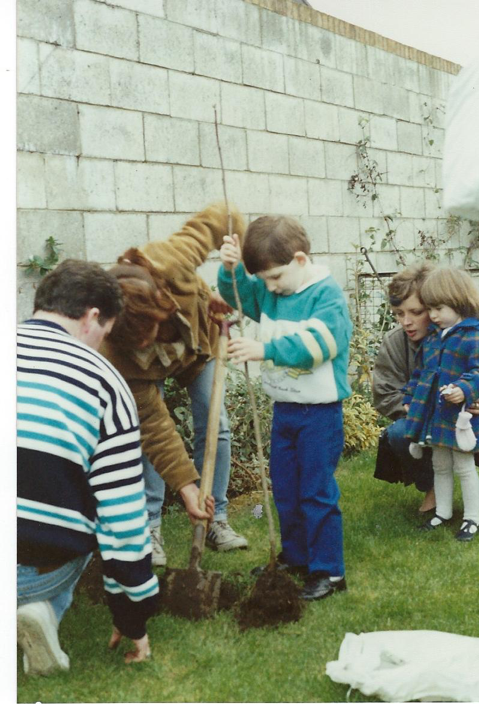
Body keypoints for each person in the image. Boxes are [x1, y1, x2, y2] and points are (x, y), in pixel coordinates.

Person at [17, 260, 213, 676]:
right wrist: (132, 618)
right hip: (29, 570)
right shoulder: (103, 381)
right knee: (77, 516)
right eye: (107, 330)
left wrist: (184, 482)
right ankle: (42, 611)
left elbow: (157, 427)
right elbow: (121, 524)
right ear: (92, 316)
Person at [101, 203, 248, 565]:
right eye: (136, 344)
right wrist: (187, 489)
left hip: (198, 347)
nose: (145, 346)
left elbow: (225, 214)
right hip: (145, 375)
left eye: (147, 337)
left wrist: (232, 274)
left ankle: (218, 519)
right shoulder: (115, 351)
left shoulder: (169, 260)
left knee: (217, 427)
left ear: (157, 305)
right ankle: (151, 528)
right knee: (145, 438)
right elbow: (156, 429)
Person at [218, 216, 352, 601]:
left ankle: (329, 571)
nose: (269, 287)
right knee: (287, 492)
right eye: (264, 280)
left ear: (298, 259)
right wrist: (229, 269)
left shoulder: (327, 296)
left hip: (320, 415)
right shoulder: (273, 291)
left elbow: (318, 346)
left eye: (274, 277)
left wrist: (265, 350)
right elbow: (239, 295)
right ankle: (296, 558)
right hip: (286, 412)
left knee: (316, 492)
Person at [403, 266, 479, 541]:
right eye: (430, 308)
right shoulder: (433, 339)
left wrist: (464, 389)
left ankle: (472, 518)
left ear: (459, 302)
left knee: (464, 465)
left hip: (459, 418)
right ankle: (443, 512)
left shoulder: (472, 336)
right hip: (435, 414)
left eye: (439, 308)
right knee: (440, 465)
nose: (433, 315)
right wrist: (410, 398)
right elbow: (420, 372)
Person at [372, 263, 436, 513]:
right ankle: (433, 489)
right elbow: (385, 394)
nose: (406, 321)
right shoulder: (394, 342)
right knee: (399, 434)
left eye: (416, 312)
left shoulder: (465, 336)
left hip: (467, 419)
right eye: (399, 313)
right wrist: (418, 409)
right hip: (421, 420)